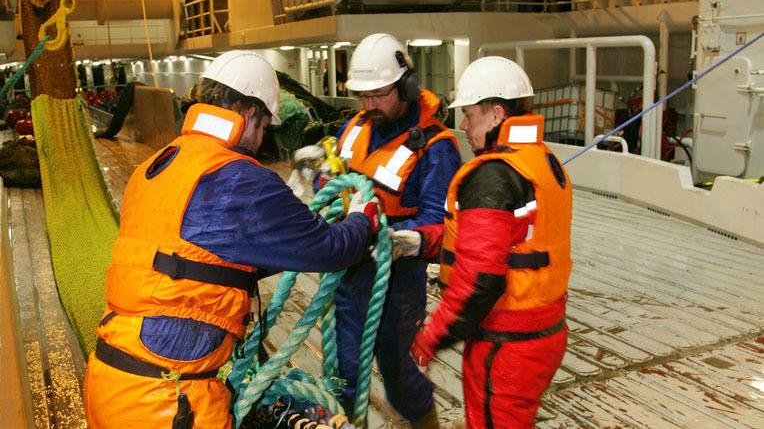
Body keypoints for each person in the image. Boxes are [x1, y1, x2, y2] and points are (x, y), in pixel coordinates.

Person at [83, 50, 379, 428]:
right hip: (168, 402)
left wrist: (305, 220)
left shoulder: (159, 166)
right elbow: (331, 248)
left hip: (111, 384)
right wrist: (360, 220)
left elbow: (206, 259)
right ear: (250, 115)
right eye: (264, 127)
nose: (261, 141)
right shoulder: (239, 178)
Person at [395, 56, 572, 428]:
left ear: (495, 114)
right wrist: (418, 240)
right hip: (545, 333)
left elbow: (479, 281)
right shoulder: (541, 160)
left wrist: (430, 336)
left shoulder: (492, 176)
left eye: (470, 115)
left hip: (507, 343)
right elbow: (497, 239)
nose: (464, 125)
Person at [324, 33, 461, 428]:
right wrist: (319, 178)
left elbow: (441, 221)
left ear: (405, 86)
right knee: (344, 372)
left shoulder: (436, 147)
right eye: (362, 97)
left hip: (397, 280)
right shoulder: (353, 128)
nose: (368, 106)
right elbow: (334, 177)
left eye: (379, 95)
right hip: (349, 272)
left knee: (400, 373)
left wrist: (402, 239)